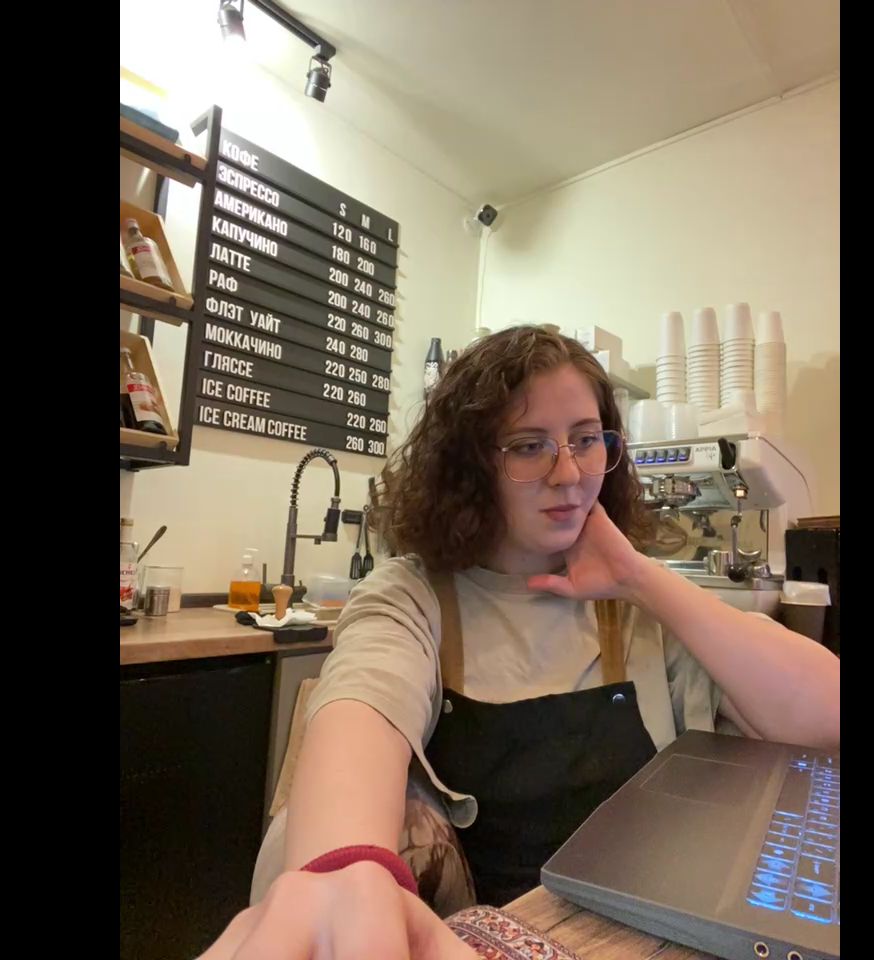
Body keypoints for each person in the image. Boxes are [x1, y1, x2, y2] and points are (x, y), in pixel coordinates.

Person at [200, 326, 840, 959]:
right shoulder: (414, 597)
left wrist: (639, 578)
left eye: (585, 440)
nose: (568, 473)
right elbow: (360, 711)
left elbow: (827, 717)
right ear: (472, 464)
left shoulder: (635, 606)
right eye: (530, 446)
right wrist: (344, 875)